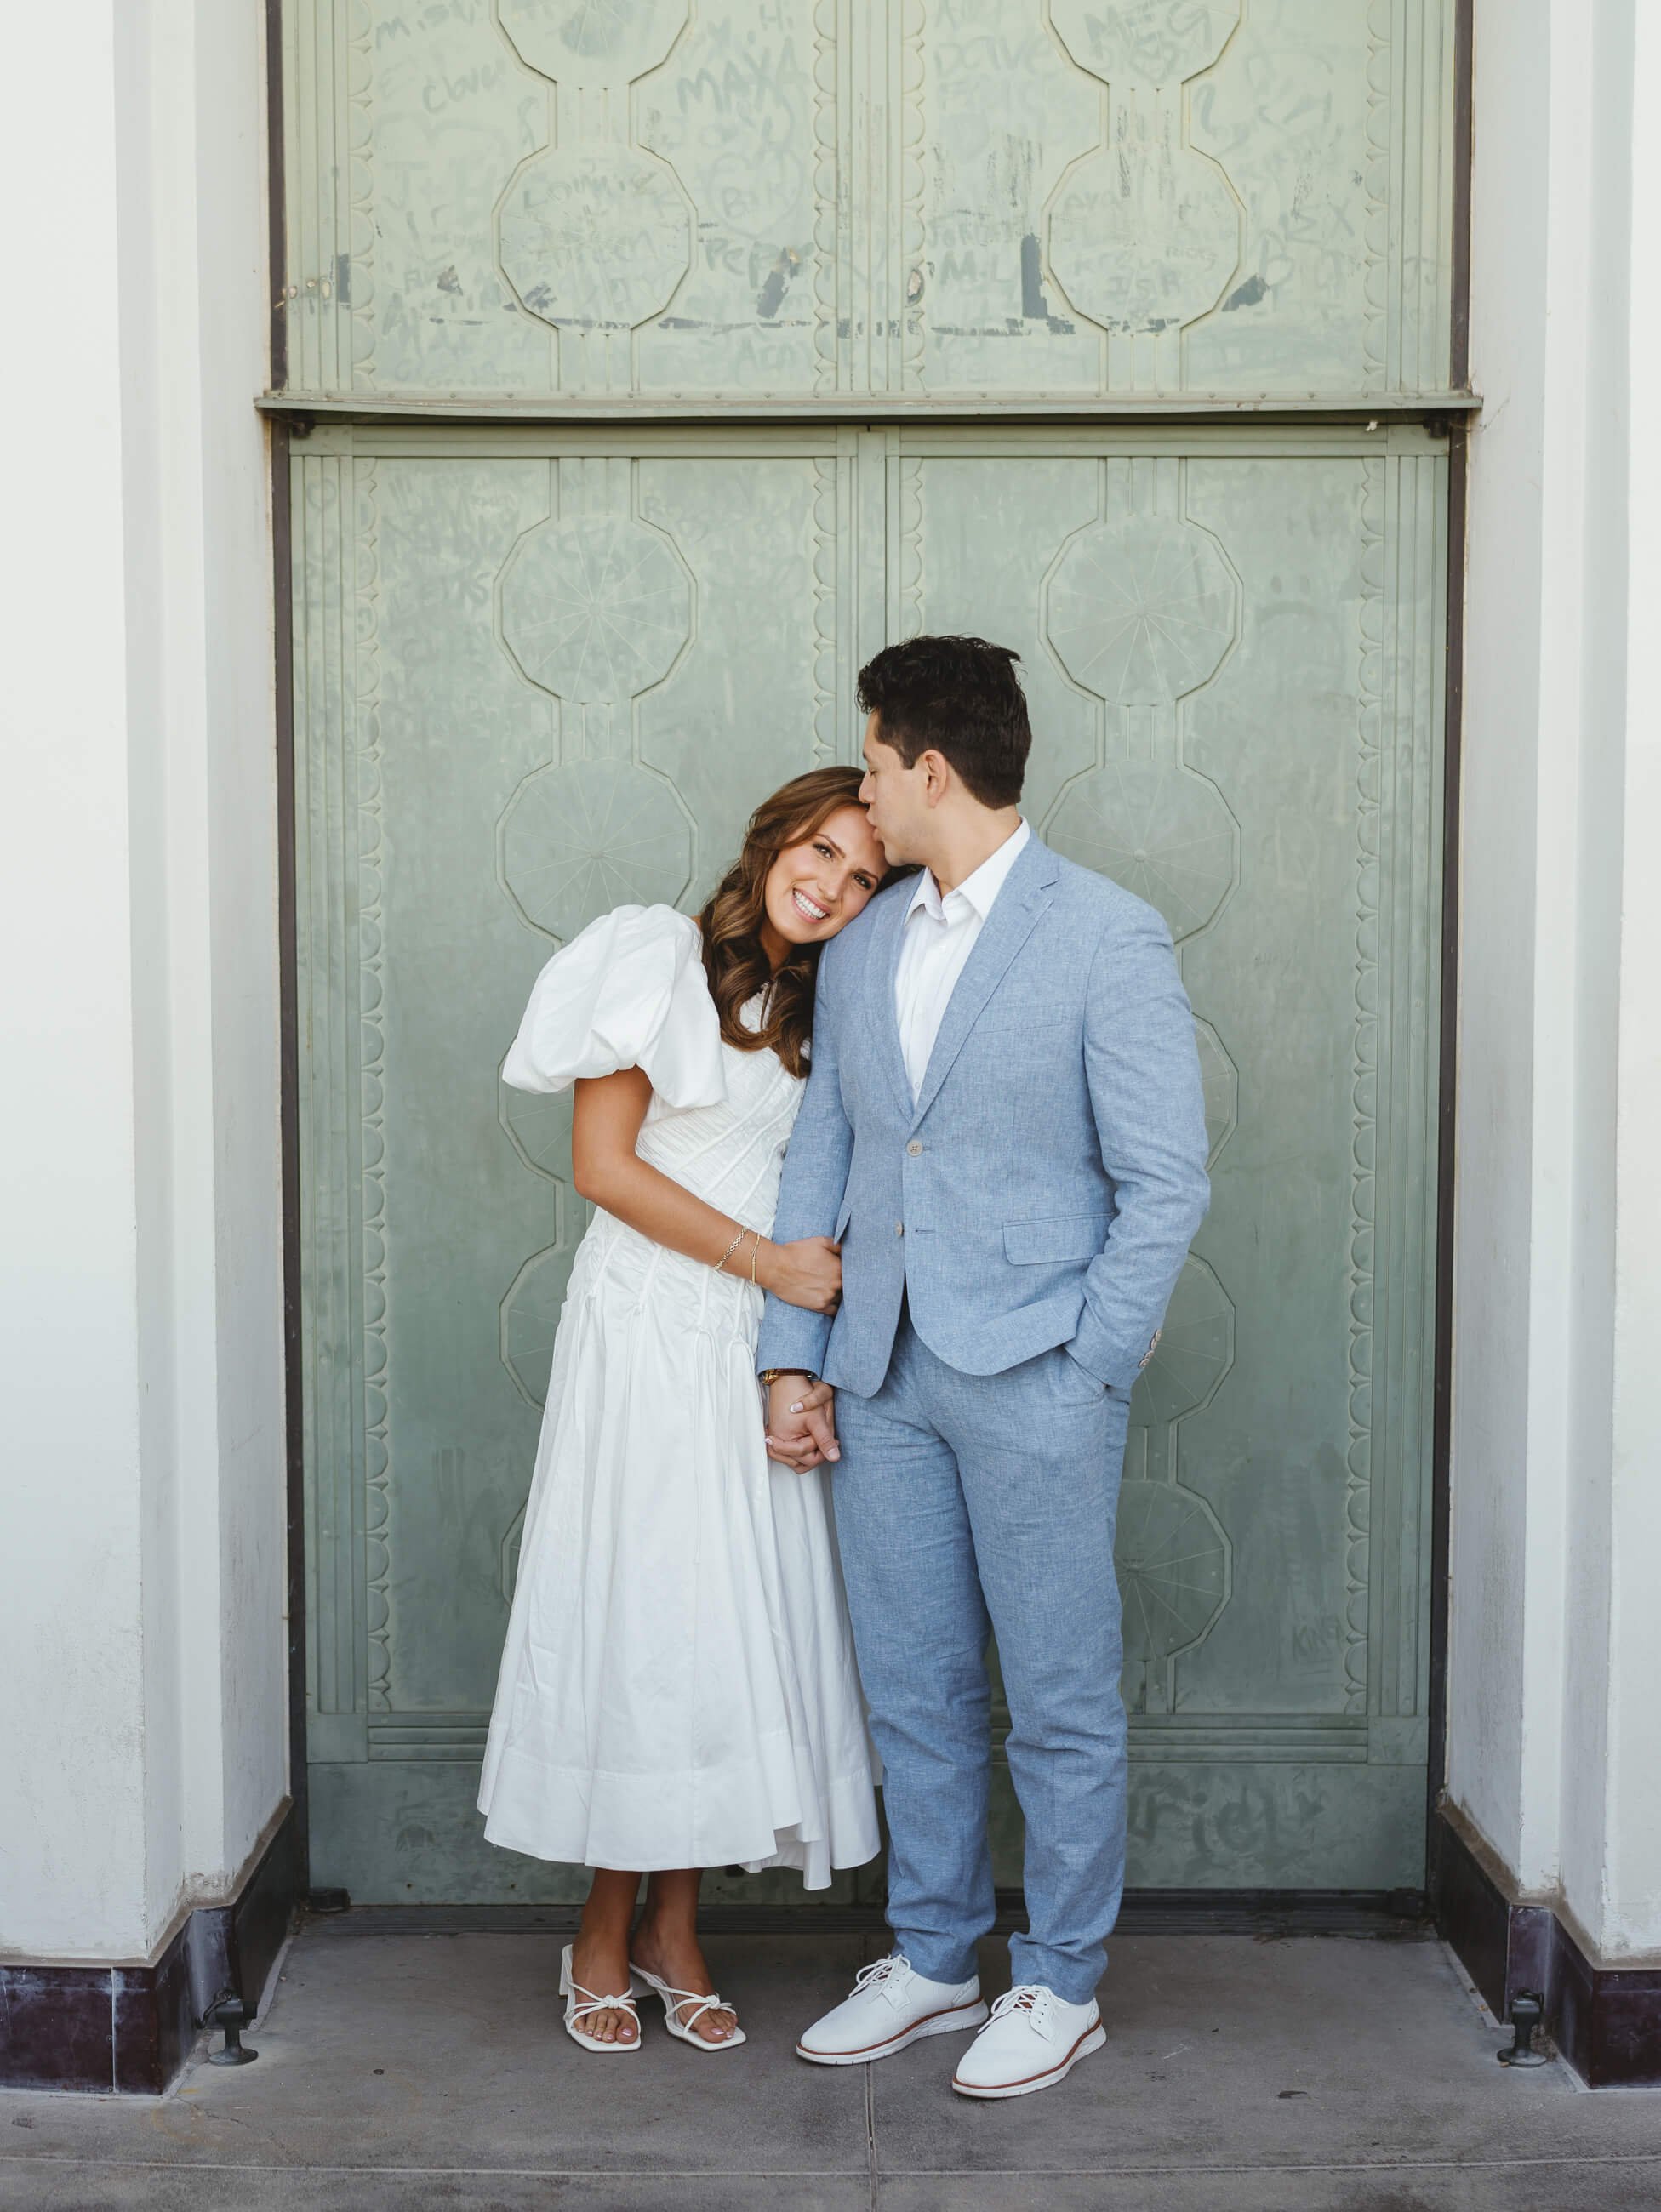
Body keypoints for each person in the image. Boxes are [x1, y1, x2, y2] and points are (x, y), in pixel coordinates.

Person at [760, 636, 1210, 2101]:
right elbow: (829, 1139)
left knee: (1063, 1693)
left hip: (1037, 1376)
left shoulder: (1106, 934)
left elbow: (1166, 1183)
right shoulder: (873, 936)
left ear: (928, 768)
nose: (868, 803)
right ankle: (940, 1953)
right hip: (882, 1368)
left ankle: (1063, 1981)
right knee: (915, 1686)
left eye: (877, 771)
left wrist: (1090, 1364)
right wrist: (797, 1354)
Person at [479, 767, 893, 2055]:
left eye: (863, 875)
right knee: (643, 1619)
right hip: (647, 1328)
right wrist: (770, 1266)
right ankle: (601, 1934)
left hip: (746, 1340)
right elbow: (602, 1167)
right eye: (819, 852)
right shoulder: (659, 956)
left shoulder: (829, 1010)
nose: (830, 886)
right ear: (774, 838)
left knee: (725, 1627)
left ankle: (675, 1928)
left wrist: (796, 1339)